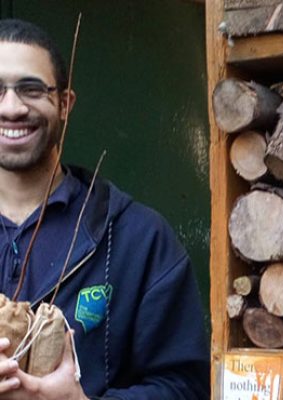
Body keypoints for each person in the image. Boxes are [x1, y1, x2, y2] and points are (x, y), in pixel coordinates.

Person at [0, 18, 210, 399]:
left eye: (31, 89)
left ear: (65, 103)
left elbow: (185, 389)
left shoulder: (140, 239)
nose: (12, 107)